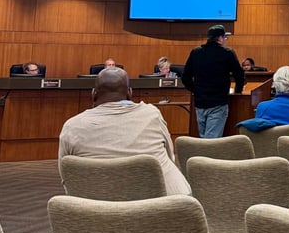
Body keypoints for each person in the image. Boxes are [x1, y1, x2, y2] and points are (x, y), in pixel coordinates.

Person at [58, 66, 190, 195]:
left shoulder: (72, 126)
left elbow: (67, 177)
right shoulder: (152, 115)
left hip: (96, 209)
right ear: (129, 93)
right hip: (165, 208)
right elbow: (170, 156)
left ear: (93, 95)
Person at [182, 25, 245, 138]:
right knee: (212, 141)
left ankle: (202, 155)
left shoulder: (196, 52)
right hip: (218, 103)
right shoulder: (227, 53)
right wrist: (238, 91)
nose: (226, 40)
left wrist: (196, 90)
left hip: (200, 103)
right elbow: (239, 75)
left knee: (203, 137)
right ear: (220, 38)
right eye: (225, 38)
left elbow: (185, 77)